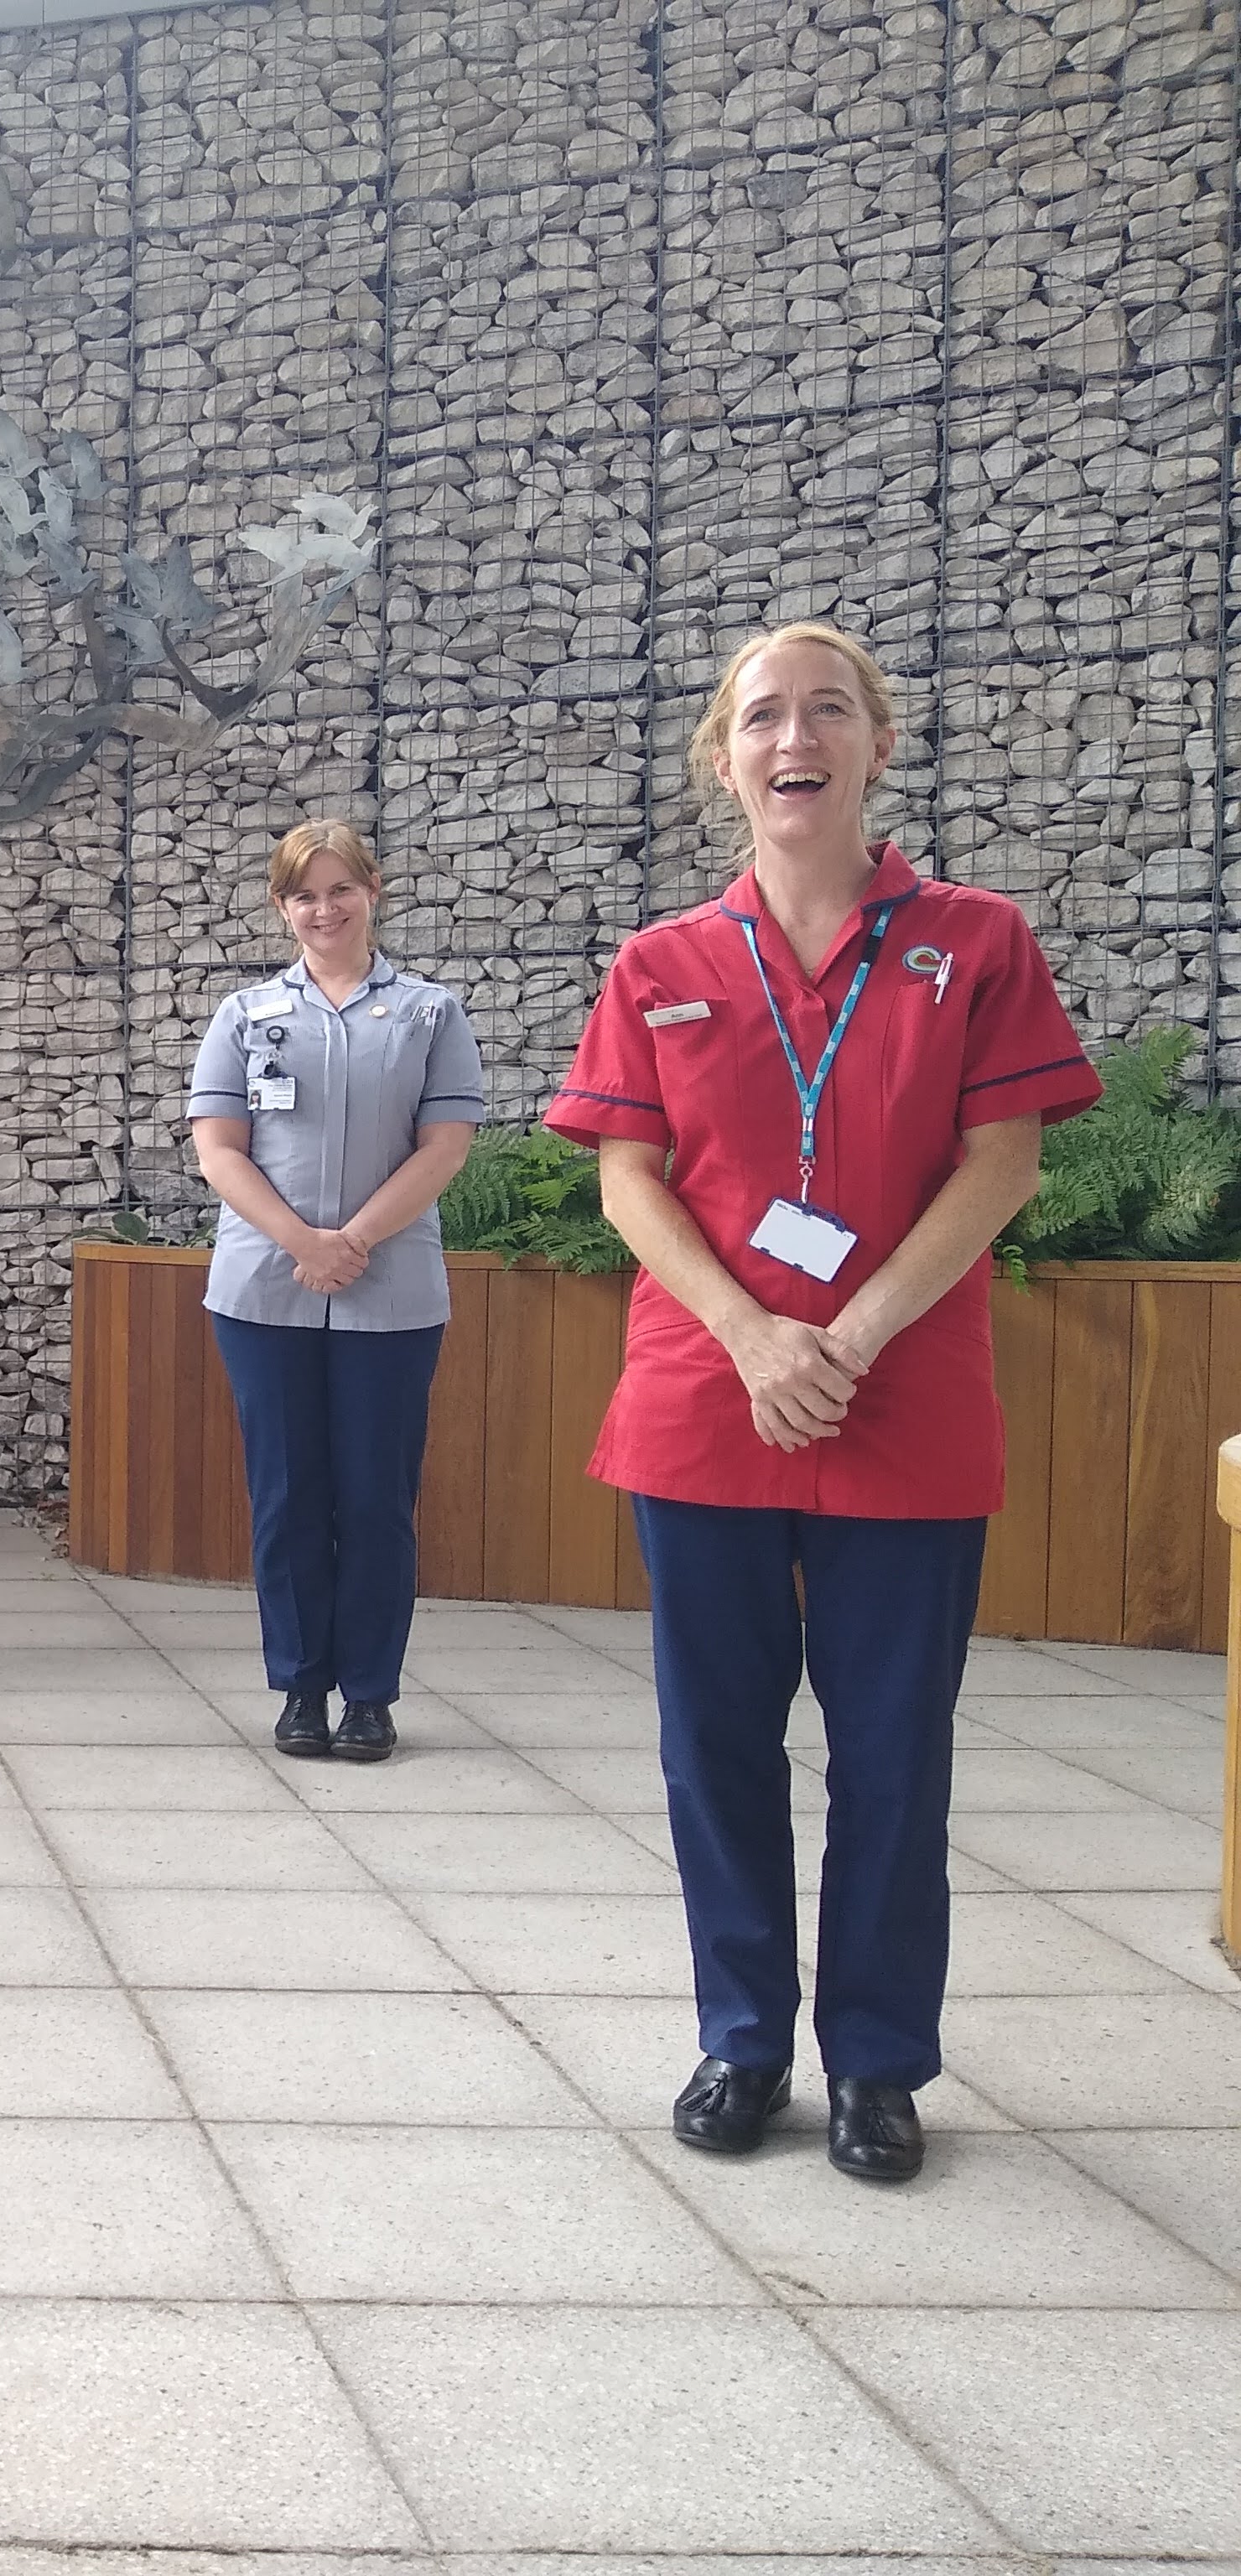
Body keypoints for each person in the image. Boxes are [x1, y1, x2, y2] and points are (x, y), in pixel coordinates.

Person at [548, 622, 1098, 2183]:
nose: (797, 736)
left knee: (892, 1749)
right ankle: (741, 2037)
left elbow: (1003, 1160)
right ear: (724, 759)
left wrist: (841, 1333)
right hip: (707, 1398)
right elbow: (627, 1177)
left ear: (877, 744)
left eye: (829, 709)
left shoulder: (973, 942)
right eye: (764, 715)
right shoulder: (659, 965)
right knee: (712, 1741)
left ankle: (874, 2060)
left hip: (901, 1397)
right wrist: (751, 1334)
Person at [188, 818, 483, 1763]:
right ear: (282, 908)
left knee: (373, 1499)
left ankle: (367, 1694)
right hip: (263, 1295)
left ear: (373, 891)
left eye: (339, 889)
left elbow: (444, 1147)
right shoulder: (243, 1017)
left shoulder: (431, 1013)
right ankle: (300, 1686)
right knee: (285, 1495)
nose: (323, 909)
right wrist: (297, 1244)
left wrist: (349, 1241)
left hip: (387, 1294)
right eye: (302, 894)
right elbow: (219, 1149)